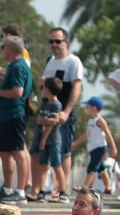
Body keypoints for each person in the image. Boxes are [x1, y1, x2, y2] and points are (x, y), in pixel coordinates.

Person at [0, 35, 32, 203]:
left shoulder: (19, 67)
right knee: (5, 152)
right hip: (7, 115)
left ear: (11, 49)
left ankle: (20, 191)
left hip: (14, 114)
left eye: (3, 46)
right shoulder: (13, 66)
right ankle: (8, 188)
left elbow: (18, 92)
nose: (2, 50)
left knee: (18, 152)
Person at [43, 27, 84, 198]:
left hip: (64, 112)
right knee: (47, 150)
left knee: (64, 150)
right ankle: (46, 188)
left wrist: (66, 111)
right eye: (51, 41)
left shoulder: (73, 62)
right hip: (49, 112)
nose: (54, 45)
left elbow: (76, 87)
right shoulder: (51, 61)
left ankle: (62, 190)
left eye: (57, 41)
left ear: (65, 42)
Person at [31, 77, 67, 203]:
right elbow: (40, 120)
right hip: (45, 139)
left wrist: (43, 140)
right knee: (43, 166)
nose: (43, 90)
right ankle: (41, 192)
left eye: (45, 87)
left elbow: (52, 125)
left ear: (49, 89)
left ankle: (63, 192)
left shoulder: (57, 105)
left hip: (53, 140)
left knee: (56, 166)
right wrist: (51, 120)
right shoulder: (46, 104)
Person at [71, 96, 117, 192]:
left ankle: (85, 187)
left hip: (99, 148)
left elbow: (108, 134)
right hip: (92, 148)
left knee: (92, 168)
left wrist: (113, 148)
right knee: (101, 168)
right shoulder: (91, 121)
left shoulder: (100, 121)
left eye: (87, 106)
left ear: (94, 108)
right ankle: (108, 187)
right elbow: (86, 135)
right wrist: (75, 143)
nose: (86, 108)